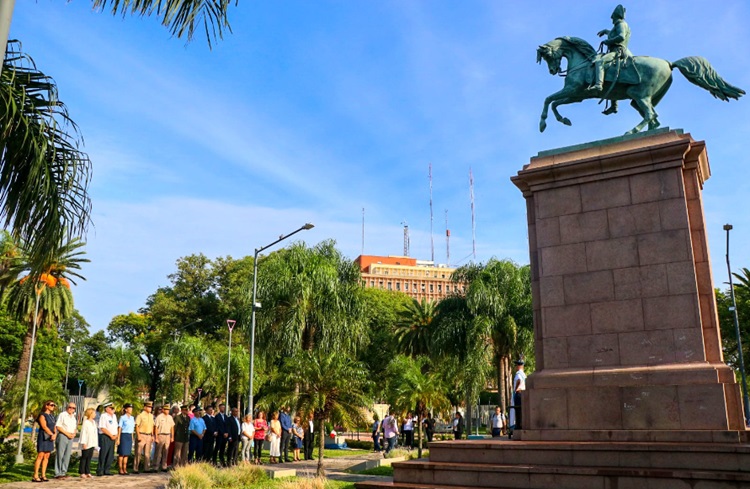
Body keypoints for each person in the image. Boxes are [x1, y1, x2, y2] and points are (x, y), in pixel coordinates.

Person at [587, 4, 631, 101]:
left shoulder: (621, 24)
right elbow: (613, 32)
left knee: (599, 62)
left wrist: (608, 41)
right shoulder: (618, 25)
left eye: (612, 18)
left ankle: (598, 85)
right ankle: (614, 104)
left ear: (615, 17)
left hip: (617, 51)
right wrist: (606, 31)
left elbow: (621, 36)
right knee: (611, 73)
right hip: (616, 50)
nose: (612, 20)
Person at [32, 400, 57, 482]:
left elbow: (54, 426)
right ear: (46, 405)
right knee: (40, 455)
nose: (53, 407)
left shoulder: (52, 416)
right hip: (43, 436)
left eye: (54, 405)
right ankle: (35, 475)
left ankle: (43, 474)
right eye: (51, 405)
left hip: (50, 437)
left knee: (47, 456)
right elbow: (44, 426)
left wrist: (54, 434)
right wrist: (51, 434)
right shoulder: (42, 415)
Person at [54, 401, 77, 479]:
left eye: (73, 408)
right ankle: (58, 472)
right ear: (67, 407)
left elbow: (74, 427)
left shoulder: (73, 417)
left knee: (67, 455)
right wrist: (67, 434)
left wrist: (73, 434)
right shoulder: (62, 415)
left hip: (71, 436)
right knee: (60, 454)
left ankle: (64, 471)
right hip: (63, 435)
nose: (71, 409)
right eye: (70, 407)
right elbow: (58, 426)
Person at [96, 402, 118, 476]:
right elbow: (102, 427)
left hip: (113, 437)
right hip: (105, 436)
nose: (113, 410)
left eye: (113, 408)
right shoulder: (103, 416)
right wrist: (111, 435)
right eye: (111, 408)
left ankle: (107, 469)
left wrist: (115, 436)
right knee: (103, 454)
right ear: (107, 409)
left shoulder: (114, 416)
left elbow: (115, 427)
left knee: (110, 455)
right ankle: (100, 470)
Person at [134, 401, 155, 473]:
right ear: (145, 407)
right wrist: (138, 435)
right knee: (138, 452)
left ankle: (146, 468)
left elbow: (152, 426)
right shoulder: (140, 415)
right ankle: (136, 468)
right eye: (149, 407)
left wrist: (152, 435)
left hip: (149, 435)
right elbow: (137, 426)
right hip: (142, 434)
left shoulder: (151, 416)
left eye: (151, 407)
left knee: (147, 453)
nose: (150, 408)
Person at [153, 404, 175, 471]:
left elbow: (172, 427)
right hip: (161, 435)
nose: (167, 411)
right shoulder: (159, 417)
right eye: (166, 409)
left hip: (167, 435)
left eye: (168, 410)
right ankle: (155, 467)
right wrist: (156, 437)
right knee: (158, 452)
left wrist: (172, 437)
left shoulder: (170, 417)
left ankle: (164, 466)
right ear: (163, 410)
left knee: (166, 451)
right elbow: (156, 427)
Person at [79, 407, 98, 479]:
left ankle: (88, 471)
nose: (95, 414)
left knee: (89, 457)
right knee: (84, 457)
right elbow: (83, 433)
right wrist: (84, 442)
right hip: (86, 442)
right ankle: (82, 472)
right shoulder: (86, 422)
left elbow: (94, 433)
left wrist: (96, 443)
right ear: (90, 414)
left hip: (92, 442)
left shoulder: (93, 422)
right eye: (94, 413)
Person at [117, 403, 135, 475]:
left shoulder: (132, 418)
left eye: (131, 408)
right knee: (122, 453)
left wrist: (132, 437)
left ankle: (125, 469)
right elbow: (120, 428)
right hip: (123, 435)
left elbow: (132, 429)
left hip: (129, 436)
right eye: (129, 408)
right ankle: (120, 469)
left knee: (127, 454)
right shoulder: (122, 417)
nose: (131, 410)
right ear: (126, 409)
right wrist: (118, 438)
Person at [511, 359, 527, 432]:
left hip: (518, 393)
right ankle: (521, 424)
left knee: (517, 409)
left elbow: (519, 380)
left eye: (516, 365)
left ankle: (518, 425)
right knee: (521, 410)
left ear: (518, 366)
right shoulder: (524, 374)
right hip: (523, 393)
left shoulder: (518, 374)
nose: (516, 367)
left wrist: (516, 389)